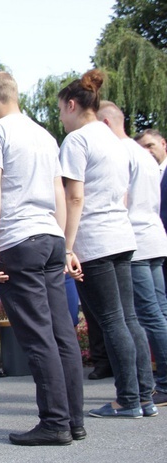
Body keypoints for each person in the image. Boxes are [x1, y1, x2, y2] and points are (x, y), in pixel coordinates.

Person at [0, 70, 84, 446]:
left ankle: (55, 423)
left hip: (18, 240)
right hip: (52, 237)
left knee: (38, 337)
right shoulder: (44, 134)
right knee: (61, 333)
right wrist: (65, 243)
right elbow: (60, 191)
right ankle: (74, 420)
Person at [58, 69, 154, 418]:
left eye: (60, 111)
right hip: (122, 235)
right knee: (130, 318)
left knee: (112, 321)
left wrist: (67, 247)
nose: (61, 119)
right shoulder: (114, 140)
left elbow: (74, 198)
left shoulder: (77, 141)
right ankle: (144, 395)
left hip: (95, 239)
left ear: (71, 105)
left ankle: (127, 399)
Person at [98, 102, 167, 410]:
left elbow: (120, 198)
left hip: (135, 239)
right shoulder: (143, 153)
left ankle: (158, 385)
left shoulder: (121, 151)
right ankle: (155, 384)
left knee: (140, 317)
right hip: (153, 236)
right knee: (157, 314)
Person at [134, 128, 167, 294]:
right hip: (154, 246)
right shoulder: (141, 173)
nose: (146, 151)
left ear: (163, 144)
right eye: (141, 148)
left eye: (150, 145)